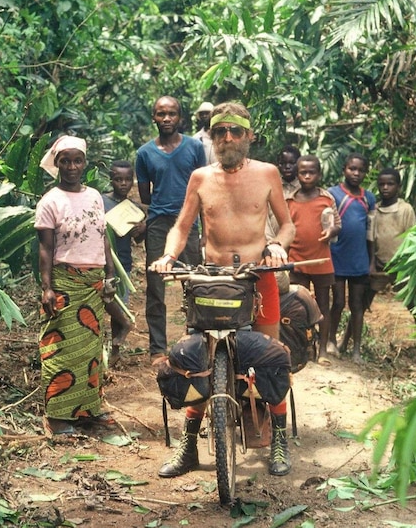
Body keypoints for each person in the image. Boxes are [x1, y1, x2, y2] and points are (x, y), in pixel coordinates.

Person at [150, 101, 296, 477]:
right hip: (211, 280)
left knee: (271, 358)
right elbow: (182, 227)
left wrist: (277, 246)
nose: (227, 138)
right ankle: (188, 446)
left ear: (248, 135)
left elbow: (287, 225)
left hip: (258, 277)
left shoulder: (267, 174)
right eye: (219, 132)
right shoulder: (200, 177)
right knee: (196, 360)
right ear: (212, 137)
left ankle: (277, 437)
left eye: (235, 131)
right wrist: (168, 255)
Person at [35, 136, 116, 436]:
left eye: (77, 160)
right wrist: (47, 288)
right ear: (57, 163)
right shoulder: (50, 201)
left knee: (90, 350)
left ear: (85, 163)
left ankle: (87, 411)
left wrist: (109, 273)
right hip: (65, 283)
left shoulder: (95, 196)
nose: (71, 166)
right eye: (65, 161)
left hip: (93, 285)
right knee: (60, 350)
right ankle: (56, 418)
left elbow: (102, 236)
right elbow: (45, 249)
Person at [136, 96, 207, 364]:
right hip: (158, 224)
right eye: (161, 114)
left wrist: (204, 230)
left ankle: (196, 340)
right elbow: (146, 196)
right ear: (153, 117)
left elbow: (204, 188)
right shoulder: (144, 154)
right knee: (156, 286)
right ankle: (158, 349)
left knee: (195, 282)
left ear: (180, 118)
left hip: (189, 223)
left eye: (172, 114)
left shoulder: (194, 147)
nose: (167, 119)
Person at [285, 155, 341, 365]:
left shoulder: (326, 199)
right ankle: (303, 349)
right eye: (303, 172)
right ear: (297, 174)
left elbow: (337, 224)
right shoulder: (289, 200)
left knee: (323, 306)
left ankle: (323, 351)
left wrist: (331, 231)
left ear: (319, 174)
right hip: (297, 261)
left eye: (312, 172)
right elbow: (286, 228)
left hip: (321, 260)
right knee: (298, 307)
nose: (307, 176)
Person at [327, 153, 376, 364]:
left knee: (357, 305)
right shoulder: (332, 194)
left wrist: (371, 261)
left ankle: (356, 350)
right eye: (352, 169)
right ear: (344, 169)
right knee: (337, 302)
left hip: (359, 260)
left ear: (366, 172)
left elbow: (371, 233)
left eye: (360, 170)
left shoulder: (369, 198)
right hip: (337, 258)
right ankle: (329, 342)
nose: (356, 174)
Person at [102, 160, 146, 362]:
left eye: (128, 179)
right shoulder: (101, 201)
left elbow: (138, 240)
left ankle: (115, 352)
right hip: (102, 262)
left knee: (119, 304)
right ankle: (126, 324)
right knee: (107, 301)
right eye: (118, 179)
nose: (123, 184)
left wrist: (141, 230)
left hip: (124, 263)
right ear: (110, 179)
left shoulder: (133, 209)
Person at [367, 168, 416, 306]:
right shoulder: (374, 210)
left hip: (400, 266)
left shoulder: (405, 209)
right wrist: (372, 264)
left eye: (390, 184)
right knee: (364, 302)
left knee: (411, 304)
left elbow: (412, 238)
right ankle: (352, 328)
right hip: (379, 265)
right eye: (382, 184)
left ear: (398, 187)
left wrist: (409, 264)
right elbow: (371, 238)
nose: (385, 188)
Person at [265, 145, 301, 242]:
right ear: (277, 164)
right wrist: (271, 242)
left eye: (292, 163)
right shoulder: (271, 187)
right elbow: (265, 219)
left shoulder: (304, 189)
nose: (287, 167)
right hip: (273, 243)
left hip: (299, 245)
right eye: (283, 163)